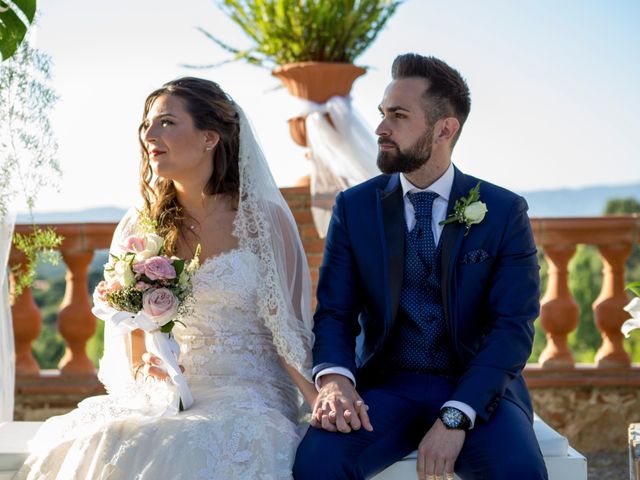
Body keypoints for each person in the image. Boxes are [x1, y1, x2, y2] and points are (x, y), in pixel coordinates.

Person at [16, 77, 317, 479]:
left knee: (207, 443)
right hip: (171, 391)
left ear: (210, 137)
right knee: (98, 438)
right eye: (147, 125)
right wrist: (147, 367)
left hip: (250, 390)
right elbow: (130, 321)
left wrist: (319, 399)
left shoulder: (263, 219)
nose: (149, 136)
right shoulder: (140, 223)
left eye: (166, 123)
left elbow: (288, 330)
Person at [293, 54, 548, 480]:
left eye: (398, 115)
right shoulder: (354, 207)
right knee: (317, 464)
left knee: (519, 471)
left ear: (445, 128)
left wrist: (456, 417)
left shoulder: (503, 211)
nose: (380, 129)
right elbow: (335, 313)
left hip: (477, 388)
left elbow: (513, 327)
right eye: (382, 114)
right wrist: (335, 379)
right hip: (384, 388)